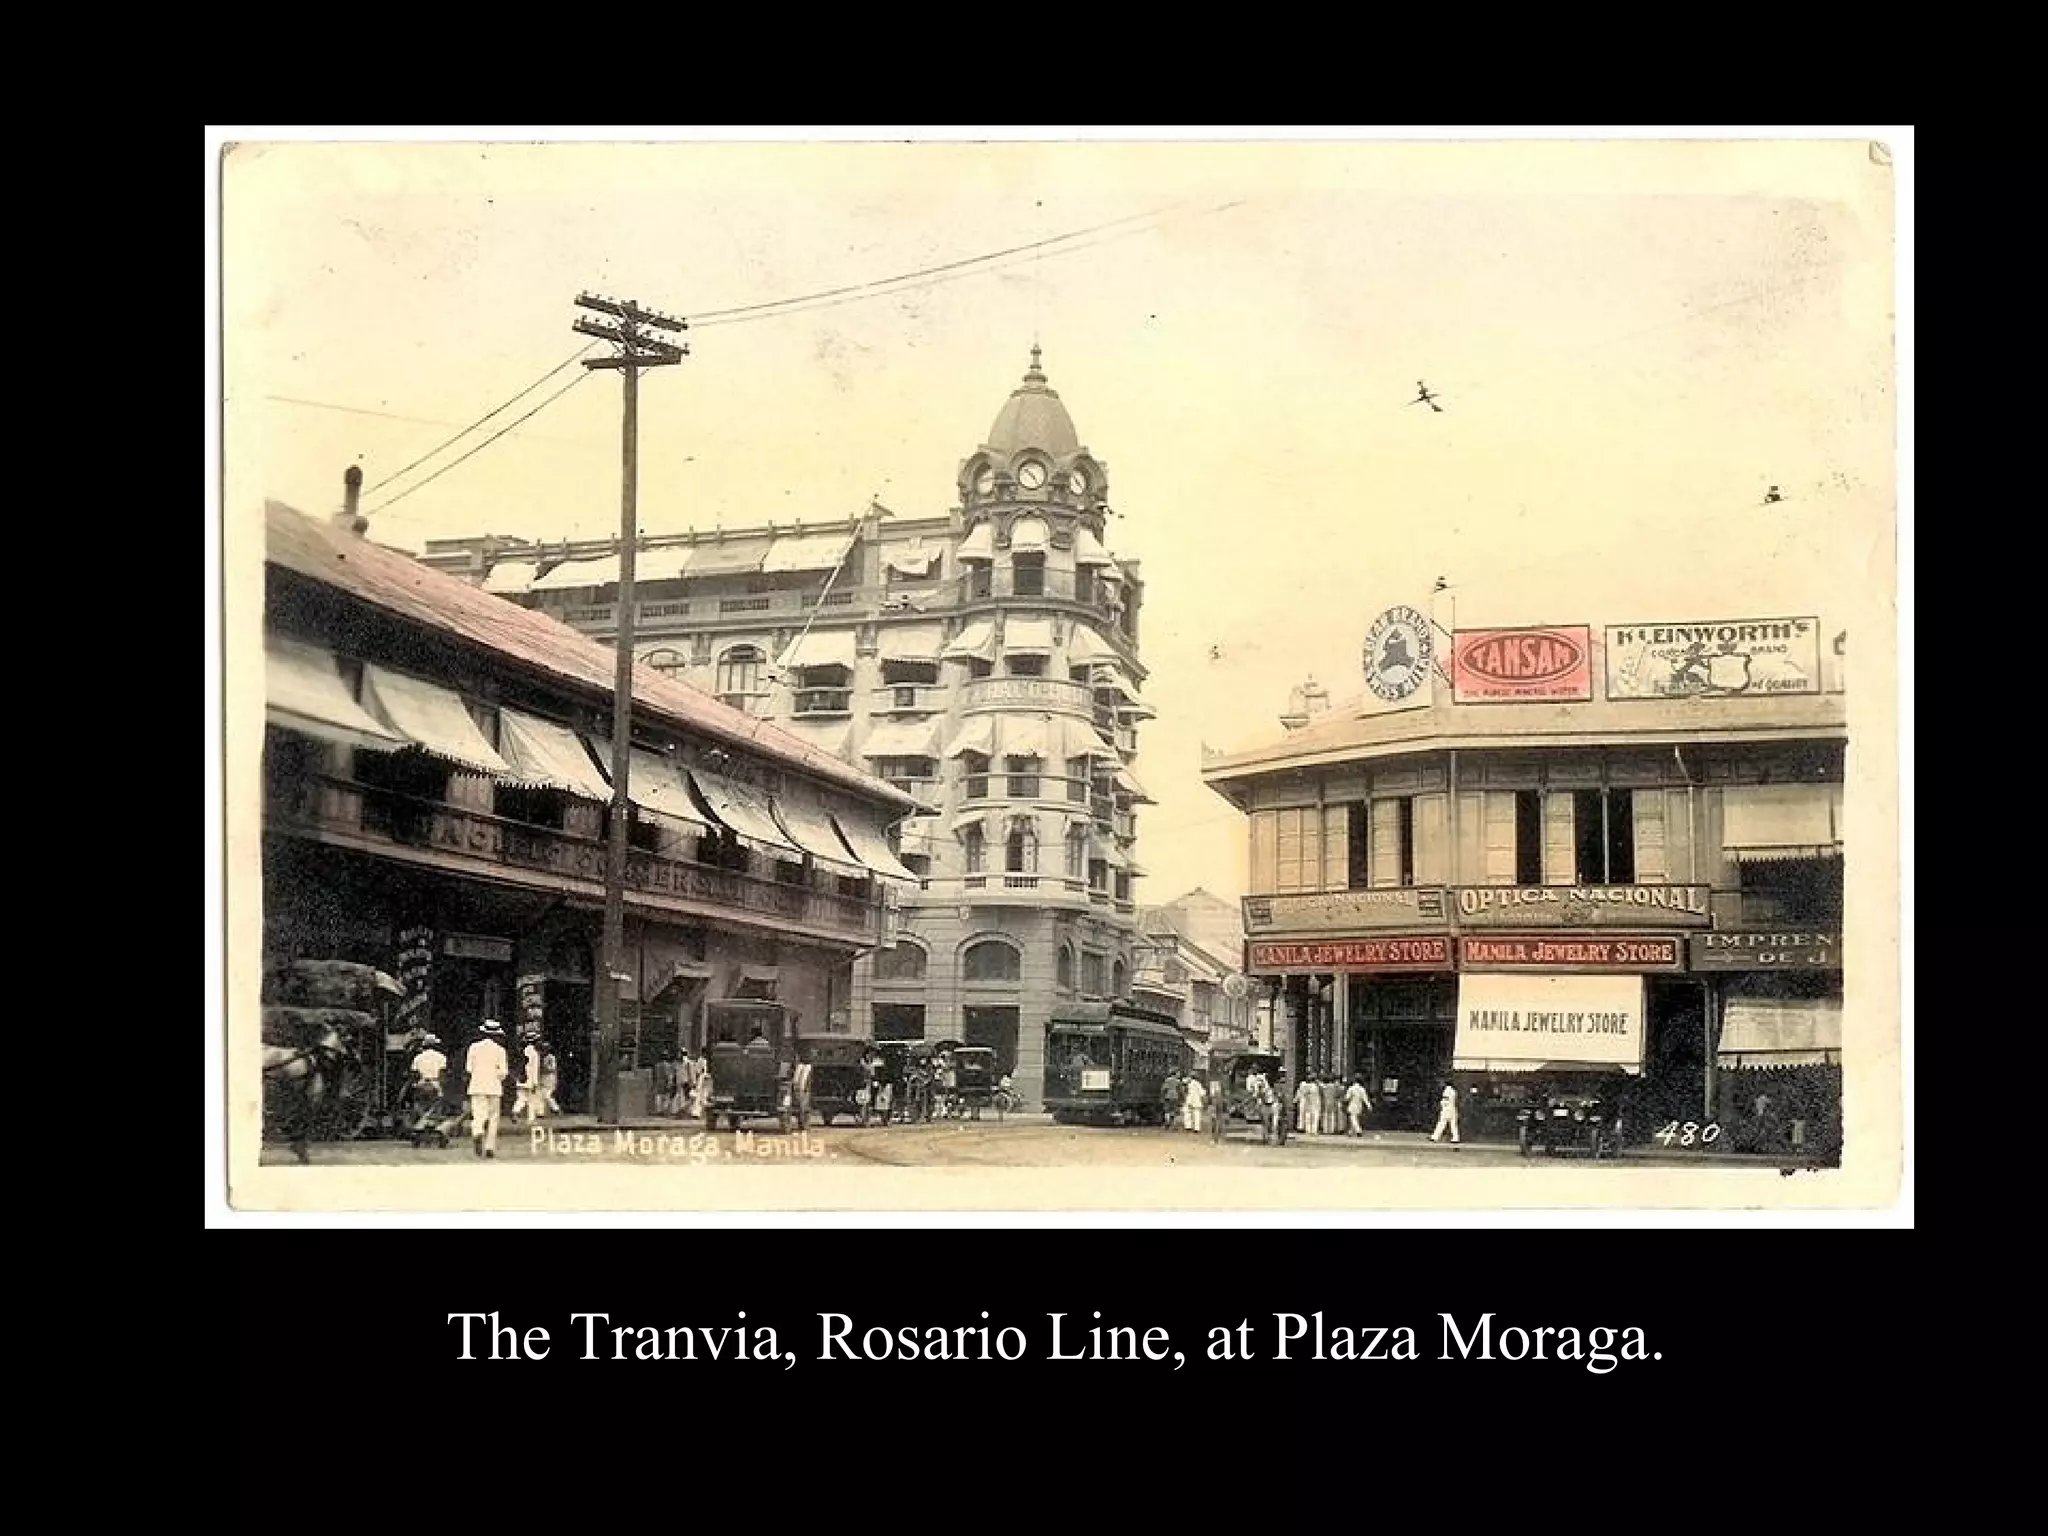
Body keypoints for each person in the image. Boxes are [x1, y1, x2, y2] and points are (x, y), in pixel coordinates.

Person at [465, 1020, 511, 1160]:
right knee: (493, 1117)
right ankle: (490, 1147)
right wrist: (495, 1075)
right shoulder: (500, 1050)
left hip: (477, 1085)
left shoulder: (473, 1047)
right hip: (494, 1086)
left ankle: (478, 1132)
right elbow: (503, 1072)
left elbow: (469, 1068)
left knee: (478, 1114)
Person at [517, 1036, 544, 1123]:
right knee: (532, 1100)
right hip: (530, 1079)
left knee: (521, 1098)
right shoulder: (534, 1053)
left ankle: (516, 1110)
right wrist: (535, 1083)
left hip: (521, 1078)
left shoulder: (522, 1051)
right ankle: (531, 1119)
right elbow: (534, 1069)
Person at [1430, 1081, 1462, 1145]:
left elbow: (1445, 1099)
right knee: (1453, 1125)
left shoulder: (1446, 1090)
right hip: (1453, 1108)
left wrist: (1441, 1105)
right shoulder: (1454, 1091)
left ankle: (1435, 1137)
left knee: (1441, 1123)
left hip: (1446, 1109)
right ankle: (1455, 1138)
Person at [1296, 1074, 1320, 1138]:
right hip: (1314, 1103)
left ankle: (1309, 1130)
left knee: (1308, 1117)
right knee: (1314, 1117)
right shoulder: (1315, 1086)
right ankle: (1313, 1130)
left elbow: (1302, 1093)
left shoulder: (1304, 1085)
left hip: (1309, 1103)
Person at [539, 1044, 560, 1116]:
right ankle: (540, 1112)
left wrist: (544, 1068)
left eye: (546, 1048)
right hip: (543, 1078)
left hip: (550, 1078)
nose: (544, 1050)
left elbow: (552, 1068)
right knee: (541, 1095)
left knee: (547, 1095)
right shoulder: (541, 1056)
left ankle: (556, 1109)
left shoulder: (551, 1057)